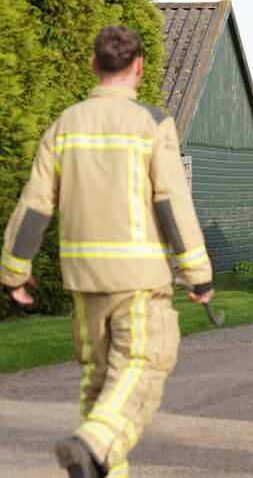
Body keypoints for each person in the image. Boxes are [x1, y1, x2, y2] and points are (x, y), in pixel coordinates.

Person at [0, 25, 214, 478]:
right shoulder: (152, 124)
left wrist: (14, 272)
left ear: (95, 65)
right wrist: (198, 274)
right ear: (138, 68)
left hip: (84, 281)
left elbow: (35, 206)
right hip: (139, 279)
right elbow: (171, 203)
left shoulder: (64, 125)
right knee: (140, 366)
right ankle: (94, 444)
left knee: (99, 385)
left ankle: (99, 460)